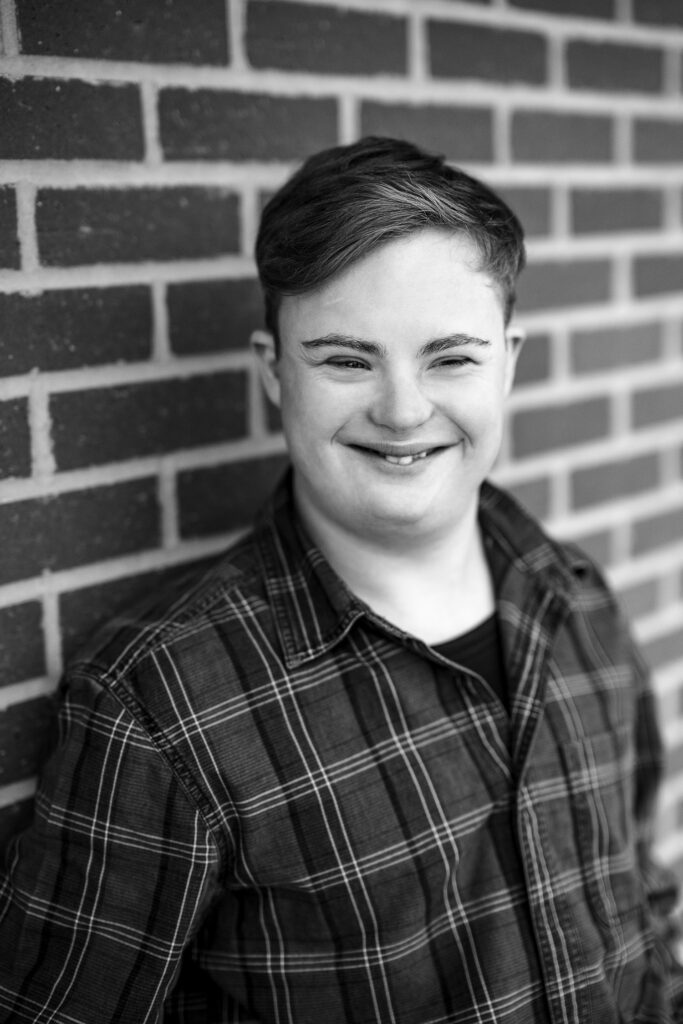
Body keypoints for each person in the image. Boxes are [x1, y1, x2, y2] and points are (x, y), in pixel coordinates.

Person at [0, 136, 681, 1024]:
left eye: (451, 357)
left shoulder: (576, 599)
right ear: (273, 372)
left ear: (508, 360)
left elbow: (635, 894)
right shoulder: (158, 706)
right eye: (346, 359)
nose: (402, 410)